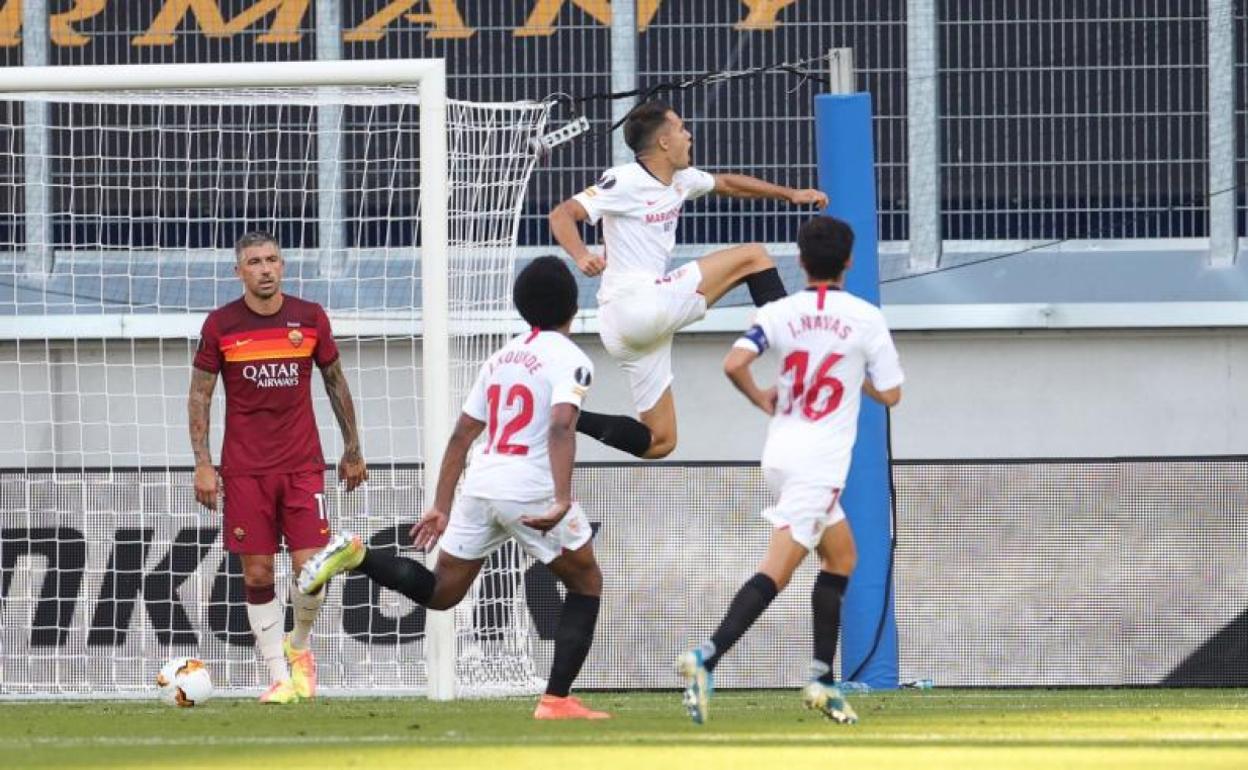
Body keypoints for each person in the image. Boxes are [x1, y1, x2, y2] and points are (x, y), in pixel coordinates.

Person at [298, 256, 609, 720]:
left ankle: (358, 555)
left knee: (443, 591)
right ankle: (556, 700)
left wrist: (441, 506)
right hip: (529, 487)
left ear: (523, 309)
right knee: (587, 584)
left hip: (481, 482)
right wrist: (562, 499)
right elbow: (562, 425)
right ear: (573, 305)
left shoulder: (501, 357)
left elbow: (463, 434)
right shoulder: (572, 359)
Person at [675, 215, 903, 725]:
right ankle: (704, 658)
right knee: (776, 571)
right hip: (818, 466)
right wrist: (855, 378)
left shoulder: (780, 312)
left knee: (842, 558)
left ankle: (822, 681)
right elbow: (891, 394)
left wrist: (761, 398)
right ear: (849, 261)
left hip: (780, 453)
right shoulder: (864, 318)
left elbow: (733, 363)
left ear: (800, 261)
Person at [549, 100, 828, 459]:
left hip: (631, 328)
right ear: (664, 142)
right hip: (636, 304)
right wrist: (582, 255)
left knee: (660, 442)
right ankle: (799, 349)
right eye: (681, 129)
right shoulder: (625, 179)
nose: (688, 135)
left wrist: (790, 194)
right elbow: (562, 214)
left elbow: (728, 184)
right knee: (754, 256)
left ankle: (566, 416)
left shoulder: (681, 180)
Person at [188, 231, 368, 704]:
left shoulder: (309, 318)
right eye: (254, 262)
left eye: (272, 260)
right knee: (258, 575)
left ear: (282, 266)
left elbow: (335, 381)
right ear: (239, 271)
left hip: (303, 466)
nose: (265, 269)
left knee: (312, 570)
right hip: (245, 470)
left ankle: (300, 648)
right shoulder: (221, 325)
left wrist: (352, 449)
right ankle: (279, 676)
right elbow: (201, 394)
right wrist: (203, 464)